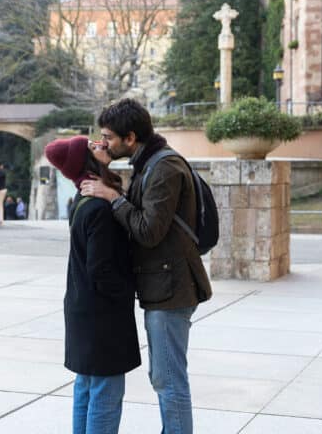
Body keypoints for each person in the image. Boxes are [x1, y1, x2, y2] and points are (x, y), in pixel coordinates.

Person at [81, 98, 213, 434]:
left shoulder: (164, 168)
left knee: (168, 381)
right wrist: (103, 165)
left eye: (109, 137)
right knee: (165, 378)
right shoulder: (148, 162)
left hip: (173, 289)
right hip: (162, 285)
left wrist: (113, 198)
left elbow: (148, 231)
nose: (103, 142)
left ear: (130, 137)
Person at [45, 135, 141, 433]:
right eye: (92, 146)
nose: (101, 143)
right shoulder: (99, 207)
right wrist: (133, 289)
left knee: (86, 389)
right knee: (105, 393)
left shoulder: (82, 199)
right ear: (86, 161)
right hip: (101, 315)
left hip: (83, 309)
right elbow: (102, 270)